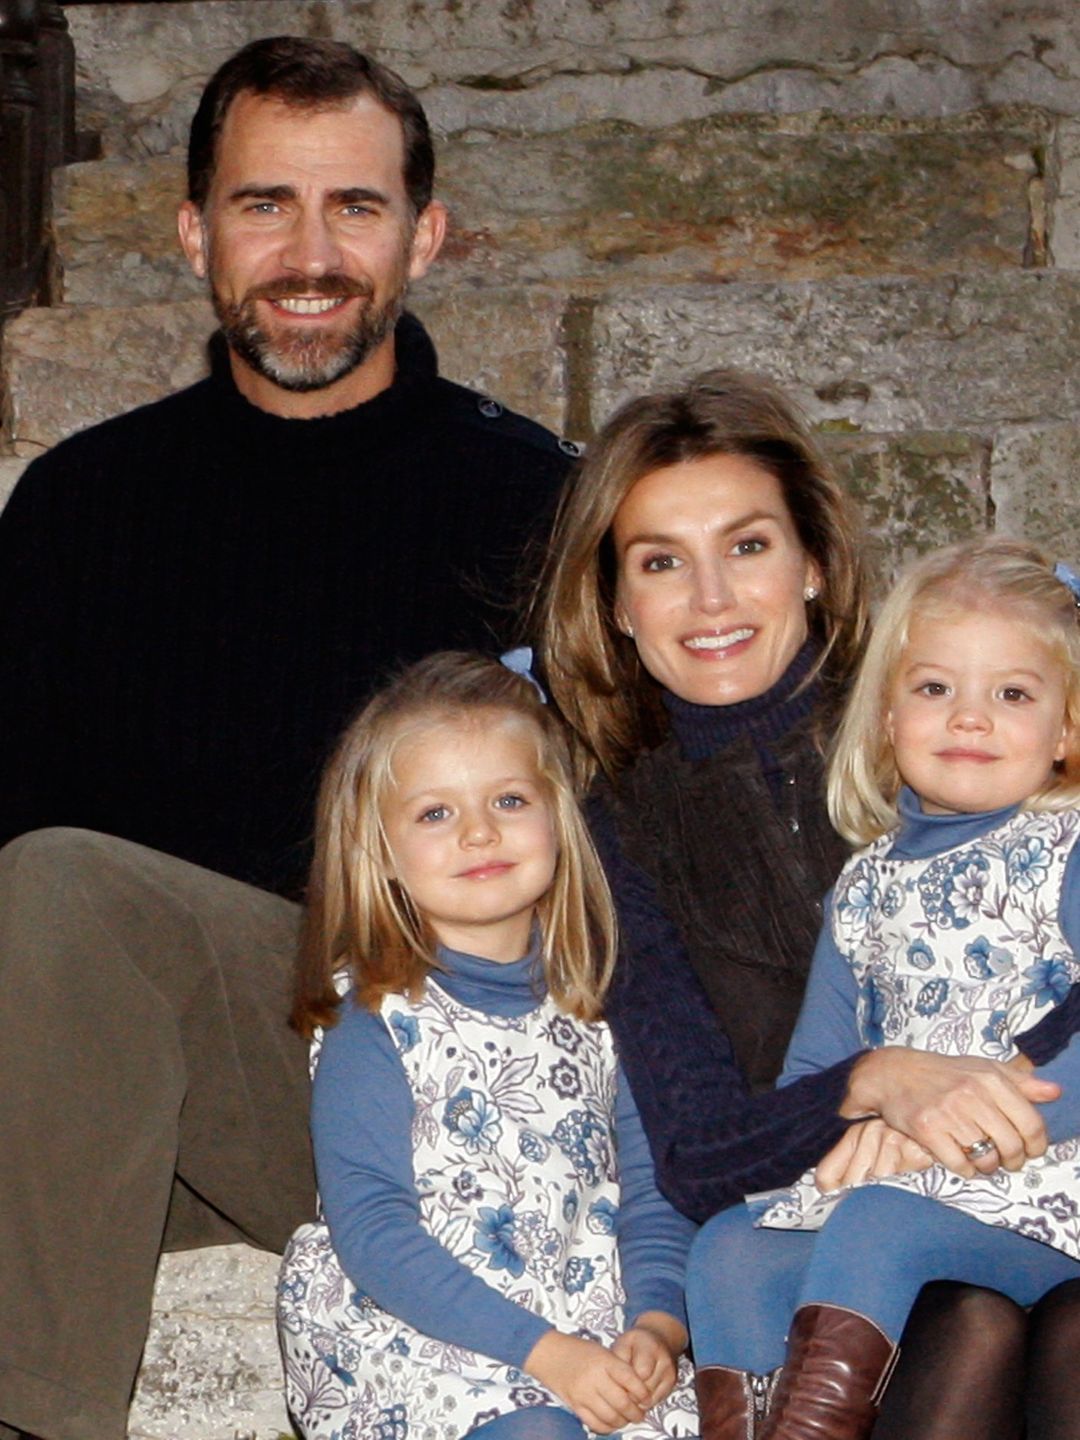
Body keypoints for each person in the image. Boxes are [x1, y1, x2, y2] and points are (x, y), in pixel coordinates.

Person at [0, 37, 570, 1440]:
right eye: (265, 205)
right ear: (196, 232)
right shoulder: (83, 508)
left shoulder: (537, 502)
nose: (308, 255)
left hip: (451, 1093)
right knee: (54, 897)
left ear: (425, 236)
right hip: (166, 1080)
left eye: (355, 208)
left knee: (69, 888)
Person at [536, 370, 1080, 1439]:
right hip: (839, 1204)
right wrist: (873, 1089)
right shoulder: (614, 828)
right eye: (660, 563)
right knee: (917, 1303)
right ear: (614, 602)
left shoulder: (962, 736)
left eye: (747, 547)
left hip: (1026, 1172)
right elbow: (700, 1151)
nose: (712, 599)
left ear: (817, 565)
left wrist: (954, 1118)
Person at [686, 537, 1080, 1440]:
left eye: (1012, 694)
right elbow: (817, 1076)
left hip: (1043, 1176)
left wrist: (944, 1144)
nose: (969, 719)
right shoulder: (864, 889)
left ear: (1066, 731)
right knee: (729, 1248)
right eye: (934, 688)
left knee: (875, 1227)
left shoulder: (1067, 848)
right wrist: (858, 1130)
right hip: (910, 1185)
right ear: (887, 717)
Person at [276, 651, 699, 1439]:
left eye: (508, 799)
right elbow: (373, 1230)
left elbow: (654, 1193)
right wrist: (543, 1356)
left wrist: (658, 1325)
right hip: (429, 1334)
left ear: (559, 819)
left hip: (589, 1325)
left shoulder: (611, 1013)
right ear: (382, 852)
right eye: (435, 813)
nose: (478, 832)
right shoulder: (377, 1021)